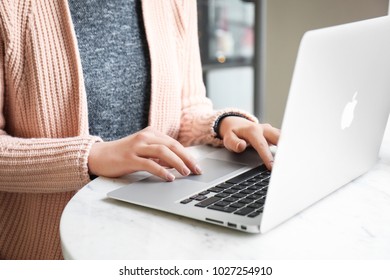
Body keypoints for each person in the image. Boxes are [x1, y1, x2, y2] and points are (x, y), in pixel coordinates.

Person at [0, 0, 280, 259]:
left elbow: (186, 109)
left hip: (159, 235)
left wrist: (223, 124)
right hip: (49, 248)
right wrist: (92, 157)